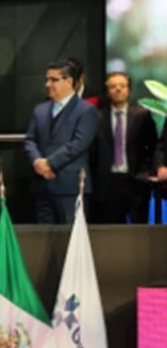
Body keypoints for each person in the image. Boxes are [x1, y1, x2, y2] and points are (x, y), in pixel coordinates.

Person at [24, 59, 99, 224]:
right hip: (42, 185)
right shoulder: (40, 110)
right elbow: (30, 140)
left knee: (71, 235)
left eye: (53, 80)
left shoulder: (86, 110)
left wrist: (49, 163)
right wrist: (37, 162)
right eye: (47, 79)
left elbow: (79, 144)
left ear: (69, 81)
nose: (48, 84)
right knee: (43, 234)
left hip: (70, 186)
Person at [91, 72, 157, 224]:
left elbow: (153, 145)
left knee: (139, 229)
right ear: (107, 91)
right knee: (111, 230)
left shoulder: (142, 115)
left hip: (136, 180)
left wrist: (148, 172)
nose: (118, 89)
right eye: (113, 86)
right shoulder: (97, 116)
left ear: (129, 89)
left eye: (122, 86)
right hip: (107, 182)